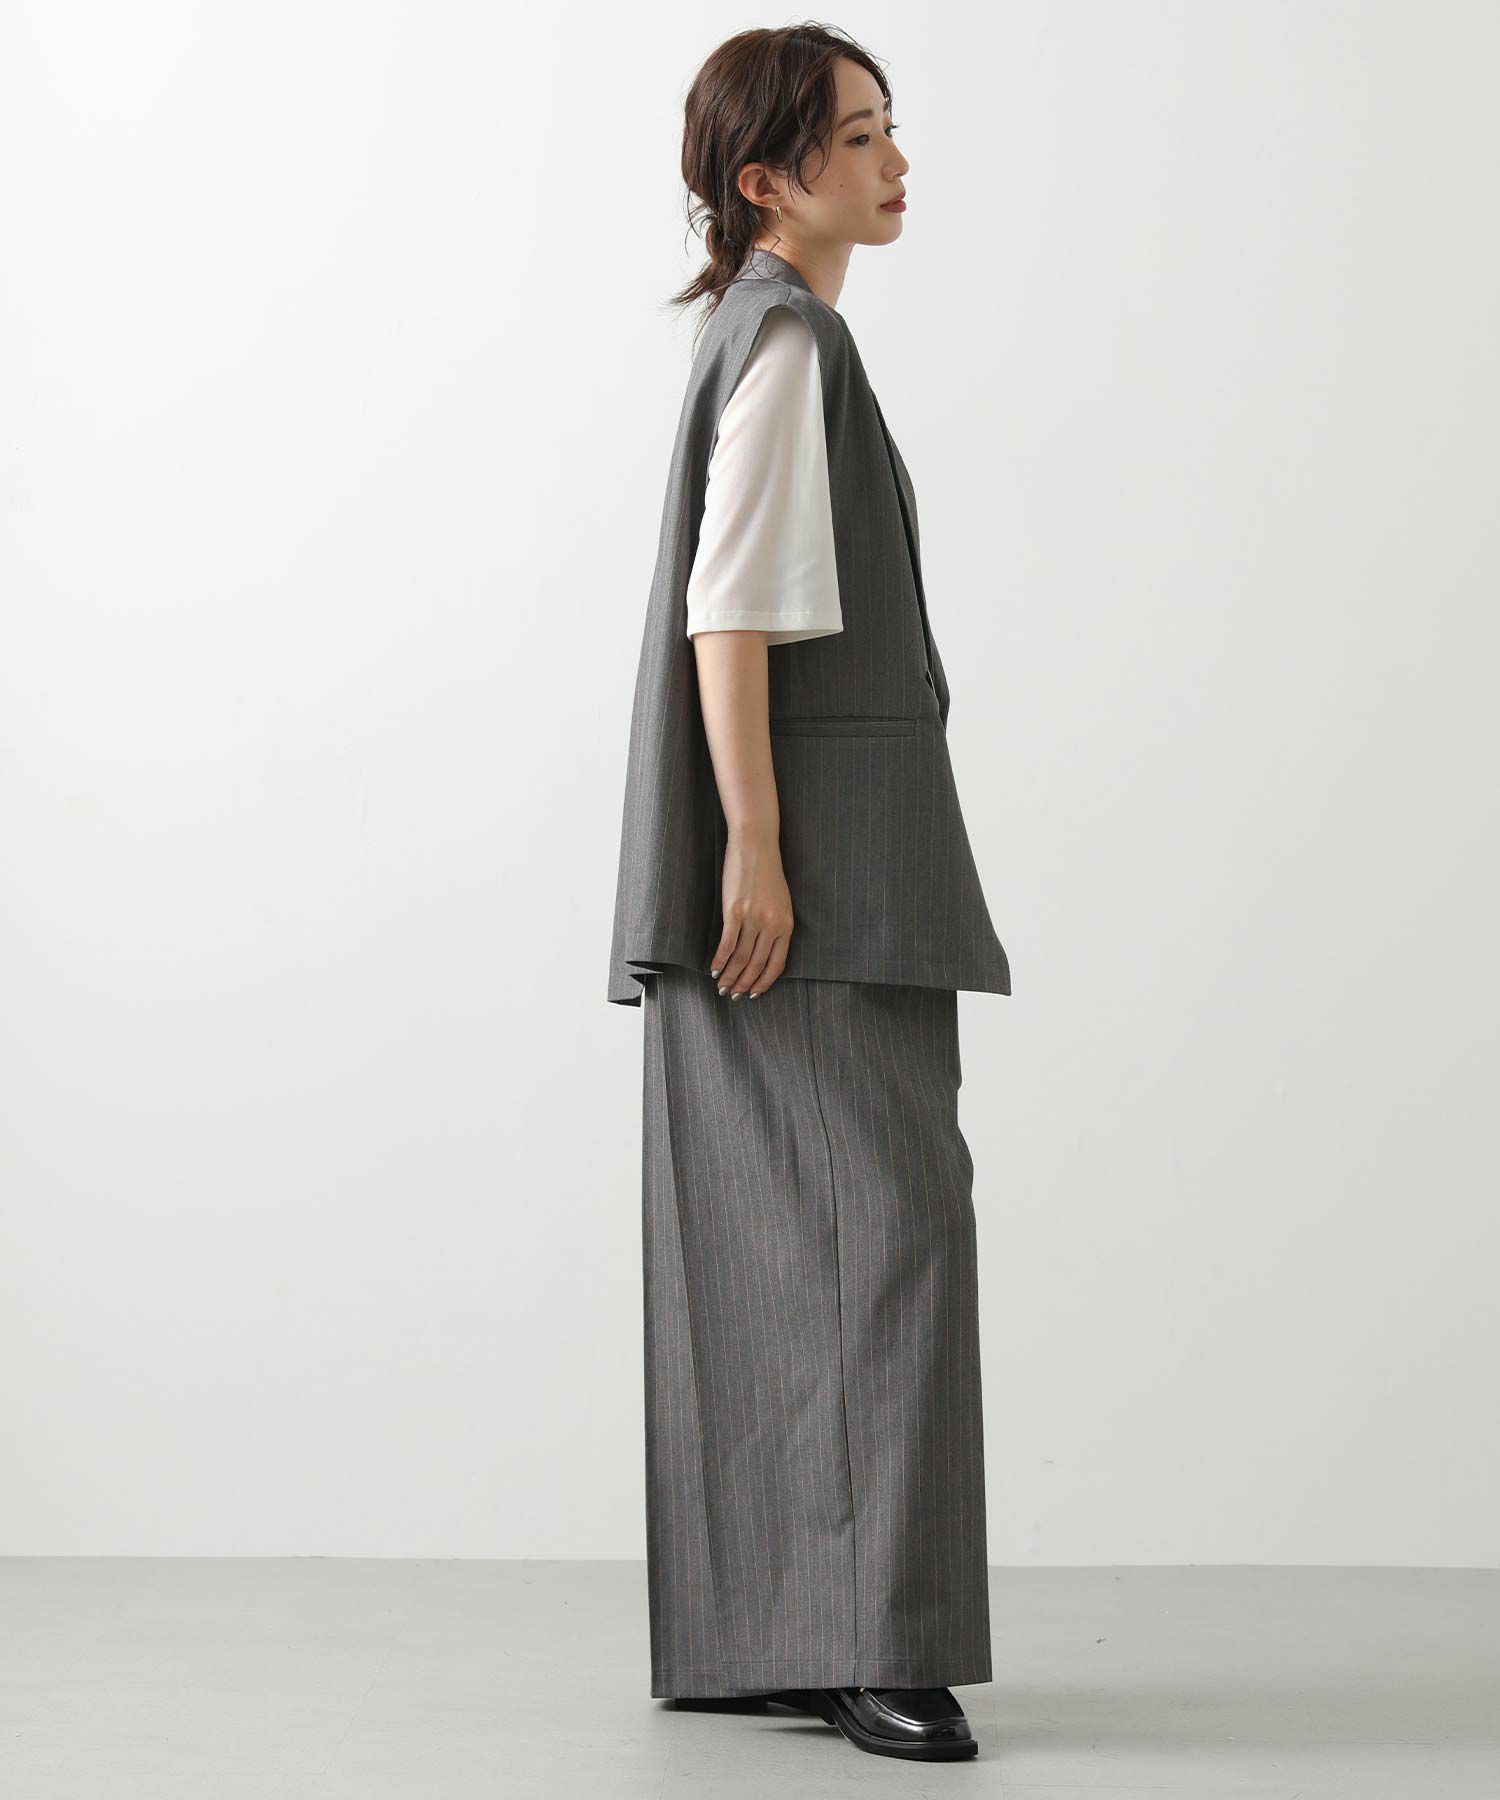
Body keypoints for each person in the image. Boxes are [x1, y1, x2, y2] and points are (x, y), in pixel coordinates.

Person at [606, 24, 1011, 1764]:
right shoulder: (790, 342)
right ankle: (869, 1640)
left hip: (806, 864)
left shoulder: (755, 331)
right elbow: (734, 609)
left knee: (774, 1240)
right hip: (817, 876)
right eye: (857, 136)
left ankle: (774, 1631)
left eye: (888, 127)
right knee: (887, 1240)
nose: (894, 160)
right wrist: (760, 846)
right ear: (768, 180)